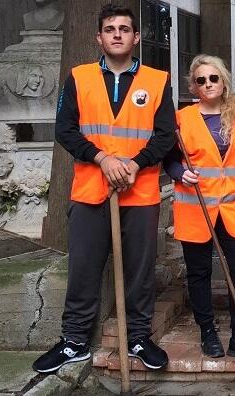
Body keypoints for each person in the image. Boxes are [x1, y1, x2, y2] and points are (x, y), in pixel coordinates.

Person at [33, 4, 175, 373]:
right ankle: (75, 341)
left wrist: (132, 164)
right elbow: (65, 129)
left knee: (140, 269)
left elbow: (164, 136)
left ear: (136, 37)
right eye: (110, 28)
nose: (117, 34)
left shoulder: (157, 80)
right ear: (99, 37)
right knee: (83, 267)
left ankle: (139, 338)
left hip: (139, 190)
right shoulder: (78, 77)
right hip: (90, 189)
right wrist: (103, 159)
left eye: (124, 28)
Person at [162, 54, 235, 360]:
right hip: (195, 207)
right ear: (193, 86)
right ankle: (208, 332)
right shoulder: (180, 120)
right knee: (199, 272)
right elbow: (169, 158)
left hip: (232, 208)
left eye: (213, 78)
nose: (208, 84)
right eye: (201, 80)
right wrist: (178, 173)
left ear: (223, 81)